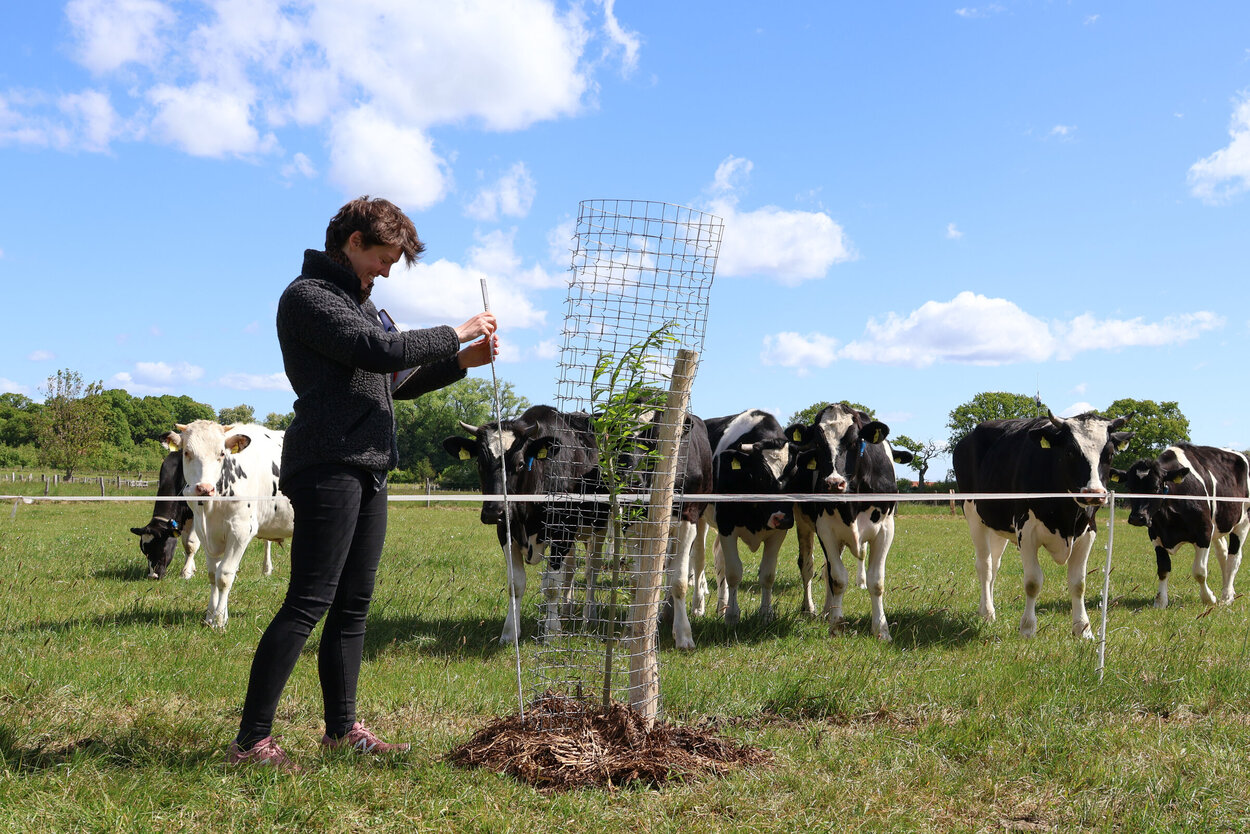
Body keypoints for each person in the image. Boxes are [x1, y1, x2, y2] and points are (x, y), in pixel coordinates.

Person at [227, 196, 498, 769]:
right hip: (328, 464)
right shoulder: (309, 298)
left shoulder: (360, 304)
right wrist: (456, 331)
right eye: (383, 258)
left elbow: (388, 381)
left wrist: (461, 363)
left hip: (370, 465)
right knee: (308, 602)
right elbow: (379, 352)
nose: (386, 271)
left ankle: (342, 730)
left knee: (353, 606)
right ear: (353, 242)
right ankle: (251, 741)